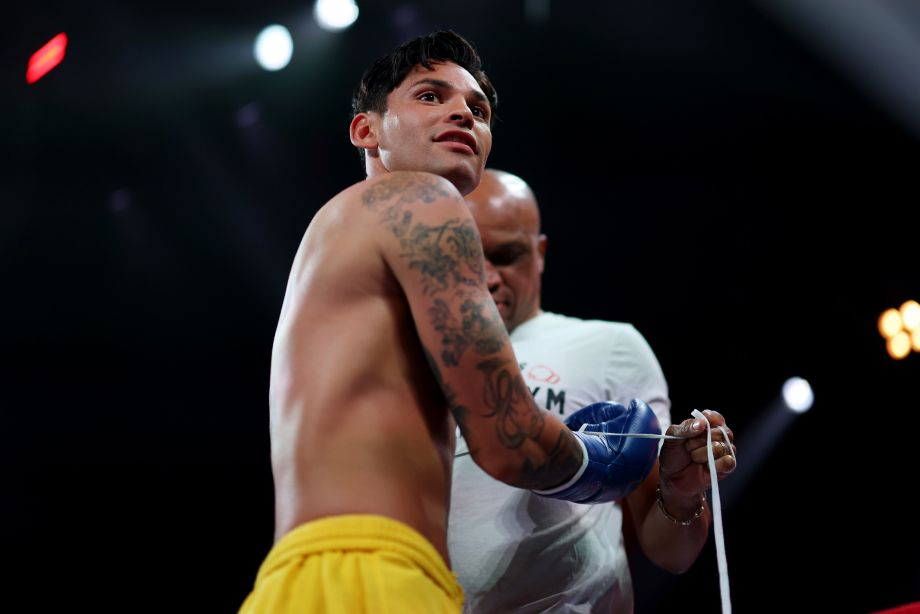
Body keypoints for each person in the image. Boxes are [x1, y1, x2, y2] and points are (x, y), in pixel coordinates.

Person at [239, 32, 671, 613]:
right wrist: (597, 461)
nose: (463, 114)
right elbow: (508, 437)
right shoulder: (421, 202)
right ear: (366, 131)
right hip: (373, 575)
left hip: (315, 574)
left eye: (478, 109)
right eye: (430, 96)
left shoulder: (343, 230)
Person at [448, 169, 738, 613]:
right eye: (467, 255)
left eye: (506, 255)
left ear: (540, 253)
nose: (488, 277)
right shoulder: (407, 358)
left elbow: (673, 554)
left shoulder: (610, 347)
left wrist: (681, 493)